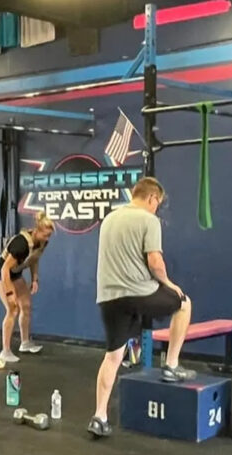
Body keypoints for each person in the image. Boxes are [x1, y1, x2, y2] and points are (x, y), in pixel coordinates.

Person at [88, 177, 195, 439]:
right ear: (152, 198)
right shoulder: (149, 220)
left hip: (109, 297)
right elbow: (155, 261)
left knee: (113, 357)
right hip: (138, 294)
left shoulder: (110, 218)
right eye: (157, 203)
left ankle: (99, 417)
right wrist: (170, 284)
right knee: (183, 303)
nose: (157, 208)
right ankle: (171, 365)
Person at [0, 211, 54, 362]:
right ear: (37, 230)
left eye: (49, 235)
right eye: (45, 235)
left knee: (26, 305)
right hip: (3, 274)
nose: (48, 238)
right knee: (12, 309)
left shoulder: (42, 242)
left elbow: (34, 259)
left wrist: (35, 279)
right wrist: (9, 293)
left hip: (16, 274)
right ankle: (5, 351)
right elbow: (4, 269)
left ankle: (25, 343)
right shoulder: (21, 244)